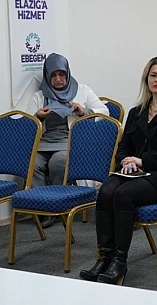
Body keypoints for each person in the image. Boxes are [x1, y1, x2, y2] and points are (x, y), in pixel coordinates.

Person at [79, 56, 157, 285]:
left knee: (124, 194)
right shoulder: (136, 112)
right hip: (138, 173)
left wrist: (142, 161)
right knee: (106, 190)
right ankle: (104, 258)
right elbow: (123, 148)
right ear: (146, 79)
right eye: (153, 75)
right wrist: (126, 162)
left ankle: (119, 262)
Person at [27, 53, 109, 228]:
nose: (58, 79)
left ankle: (56, 204)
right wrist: (38, 116)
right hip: (44, 143)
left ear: (68, 73)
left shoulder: (82, 90)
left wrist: (83, 111)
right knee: (33, 164)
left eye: (62, 74)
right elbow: (27, 124)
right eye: (53, 75)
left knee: (58, 162)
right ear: (47, 76)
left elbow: (104, 112)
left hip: (72, 142)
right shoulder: (39, 96)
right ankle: (41, 207)